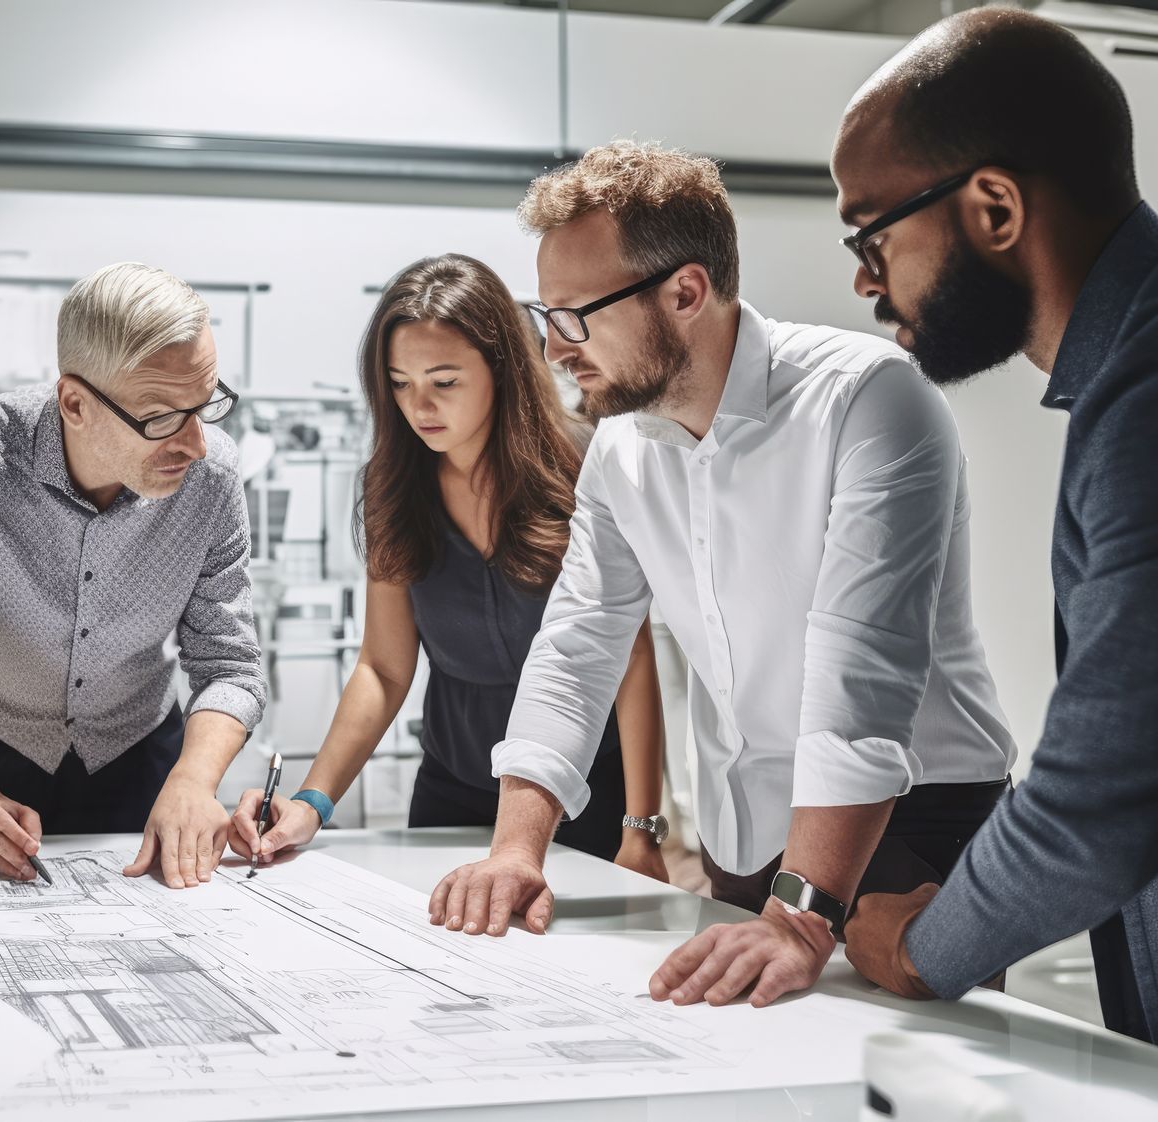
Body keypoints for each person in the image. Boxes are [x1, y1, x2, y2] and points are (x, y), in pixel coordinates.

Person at [828, 12, 1158, 1116]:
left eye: (870, 237)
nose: (863, 282)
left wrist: (924, 944)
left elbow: (1096, 807)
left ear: (993, 208)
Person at [429, 141, 1017, 1010]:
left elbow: (861, 675)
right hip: (744, 834)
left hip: (905, 819)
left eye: (576, 316)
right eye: (544, 315)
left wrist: (803, 917)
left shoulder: (870, 398)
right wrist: (518, 847)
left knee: (906, 1088)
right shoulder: (621, 449)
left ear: (686, 292)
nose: (555, 350)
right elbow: (576, 646)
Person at [227, 254, 668, 878]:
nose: (420, 405)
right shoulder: (393, 487)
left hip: (583, 789)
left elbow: (631, 656)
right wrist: (311, 802)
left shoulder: (583, 463)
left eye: (444, 381)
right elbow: (382, 668)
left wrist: (643, 830)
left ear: (502, 369)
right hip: (452, 784)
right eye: (400, 382)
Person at [0, 262, 265, 891]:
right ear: (75, 403)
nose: (195, 443)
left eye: (205, 405)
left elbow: (230, 664)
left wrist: (195, 780)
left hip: (145, 757)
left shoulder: (213, 479)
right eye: (162, 416)